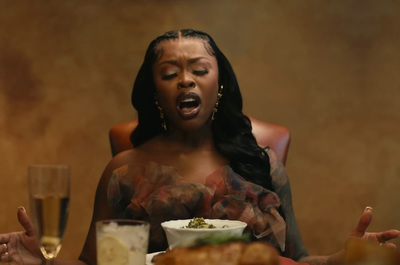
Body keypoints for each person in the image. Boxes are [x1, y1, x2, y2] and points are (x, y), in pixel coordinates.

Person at [0, 29, 398, 265]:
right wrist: (41, 261)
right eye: (170, 73)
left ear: (218, 85)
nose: (186, 81)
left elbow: (296, 260)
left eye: (199, 71)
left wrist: (346, 258)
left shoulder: (263, 164)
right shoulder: (123, 171)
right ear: (155, 91)